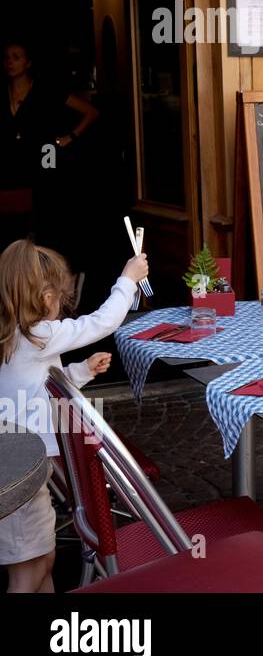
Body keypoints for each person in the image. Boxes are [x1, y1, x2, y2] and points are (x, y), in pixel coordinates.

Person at [0, 240, 148, 592]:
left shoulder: (13, 337)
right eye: (58, 294)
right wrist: (128, 279)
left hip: (15, 466)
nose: (61, 303)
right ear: (44, 295)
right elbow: (102, 322)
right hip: (20, 472)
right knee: (28, 572)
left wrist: (80, 371)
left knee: (42, 561)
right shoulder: (37, 334)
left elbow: (37, 388)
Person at [1, 43, 100, 253]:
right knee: (13, 231)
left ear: (28, 63)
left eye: (16, 57)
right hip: (11, 171)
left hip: (44, 166)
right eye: (7, 57)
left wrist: (69, 137)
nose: (10, 62)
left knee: (44, 227)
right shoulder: (4, 94)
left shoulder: (46, 91)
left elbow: (90, 112)